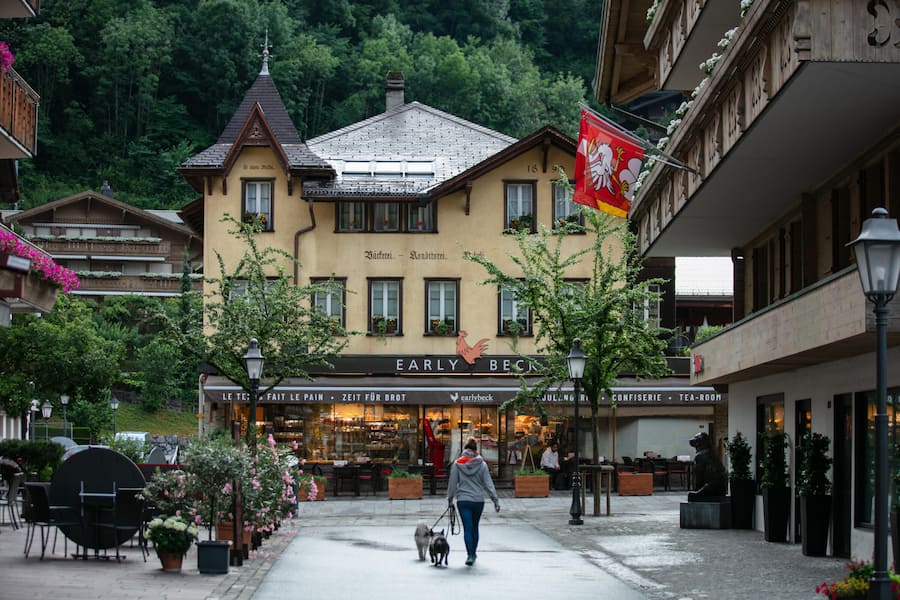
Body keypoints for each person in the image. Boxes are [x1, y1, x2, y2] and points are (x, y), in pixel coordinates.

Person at [447, 438, 500, 566]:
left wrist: (450, 498)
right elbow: (488, 484)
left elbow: (452, 483)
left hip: (463, 500)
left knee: (467, 528)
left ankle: (469, 555)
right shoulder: (482, 464)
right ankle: (473, 553)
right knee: (475, 527)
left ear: (465, 449)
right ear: (476, 449)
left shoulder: (457, 464)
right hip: (478, 501)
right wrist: (495, 500)